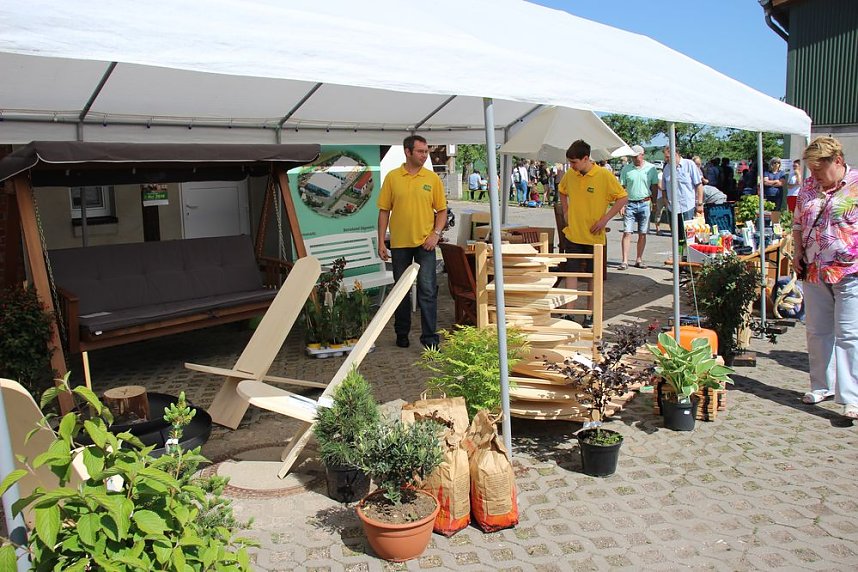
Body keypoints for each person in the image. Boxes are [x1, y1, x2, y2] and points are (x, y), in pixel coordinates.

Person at [792, 136, 858, 419]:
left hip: (849, 269)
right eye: (811, 170)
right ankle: (821, 386)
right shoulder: (808, 187)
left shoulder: (855, 184)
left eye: (819, 169)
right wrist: (797, 251)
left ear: (837, 161)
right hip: (814, 268)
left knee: (848, 334)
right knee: (817, 331)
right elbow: (797, 223)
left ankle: (851, 398)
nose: (815, 175)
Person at [377, 135, 447, 349]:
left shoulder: (432, 179)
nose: (425, 155)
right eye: (420, 151)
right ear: (407, 152)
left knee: (428, 291)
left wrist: (436, 234)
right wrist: (381, 242)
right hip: (399, 245)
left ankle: (430, 339)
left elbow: (442, 211)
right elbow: (384, 211)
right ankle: (402, 333)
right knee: (401, 291)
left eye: (426, 151)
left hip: (425, 244)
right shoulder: (392, 177)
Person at [558, 140, 628, 327]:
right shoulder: (570, 174)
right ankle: (569, 313)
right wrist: (565, 210)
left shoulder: (603, 175)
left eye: (574, 162)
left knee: (593, 277)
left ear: (586, 158)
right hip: (573, 233)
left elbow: (622, 198)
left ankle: (591, 314)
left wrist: (605, 219)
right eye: (570, 162)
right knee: (571, 274)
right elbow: (562, 190)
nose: (571, 166)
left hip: (594, 237)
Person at [619, 145, 658, 269]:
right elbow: (622, 188)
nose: (635, 159)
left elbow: (654, 186)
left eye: (636, 156)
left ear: (642, 155)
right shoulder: (626, 169)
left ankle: (639, 259)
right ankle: (625, 260)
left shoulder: (651, 168)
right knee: (627, 232)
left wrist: (654, 203)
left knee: (643, 233)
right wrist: (621, 204)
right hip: (630, 203)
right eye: (633, 157)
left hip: (645, 203)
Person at [661, 147, 704, 249]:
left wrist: (699, 203)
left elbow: (699, 185)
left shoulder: (689, 165)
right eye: (665, 157)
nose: (666, 159)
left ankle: (688, 256)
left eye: (668, 157)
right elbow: (664, 188)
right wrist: (665, 200)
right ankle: (679, 257)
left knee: (689, 236)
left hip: (687, 207)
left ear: (675, 154)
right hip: (672, 208)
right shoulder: (667, 168)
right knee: (677, 237)